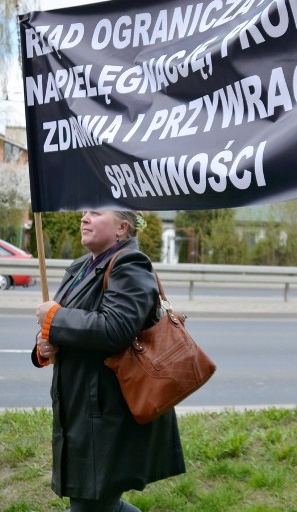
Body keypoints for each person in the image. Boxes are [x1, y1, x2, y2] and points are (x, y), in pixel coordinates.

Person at [32, 210, 185, 512]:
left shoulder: (130, 265)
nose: (84, 218)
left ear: (122, 228)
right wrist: (42, 347)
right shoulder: (79, 267)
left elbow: (115, 329)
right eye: (85, 212)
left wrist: (55, 318)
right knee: (98, 504)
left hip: (106, 412)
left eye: (95, 212)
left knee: (91, 502)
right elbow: (64, 327)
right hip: (79, 406)